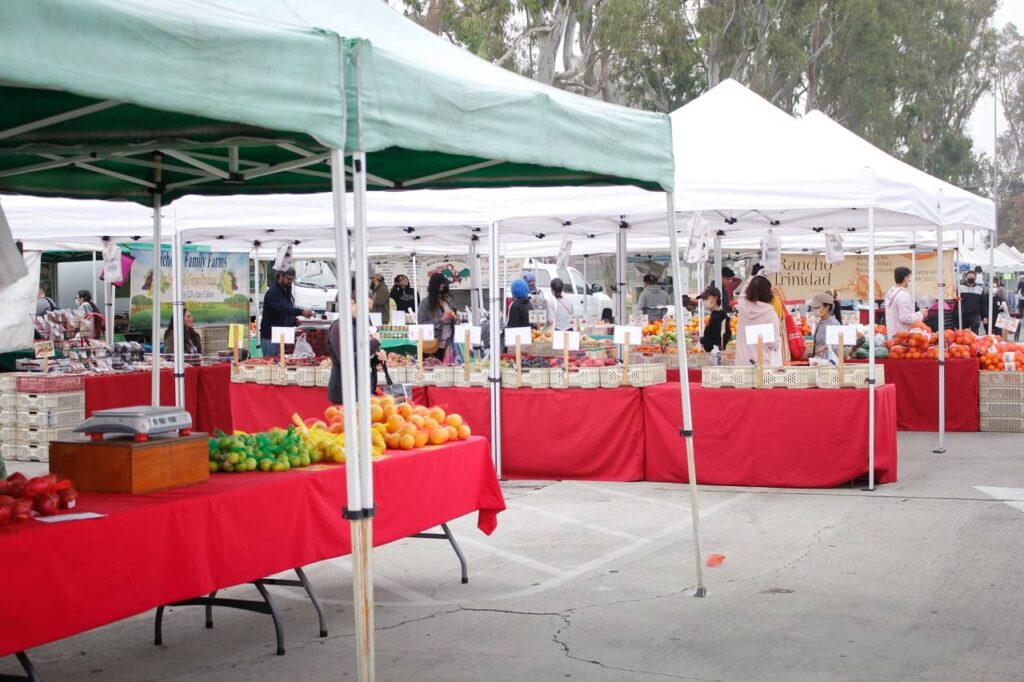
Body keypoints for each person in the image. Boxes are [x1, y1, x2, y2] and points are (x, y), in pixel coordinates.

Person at [327, 283, 386, 405]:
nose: (366, 313)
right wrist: (373, 345)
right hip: (344, 392)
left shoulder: (361, 326)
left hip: (362, 390)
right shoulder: (339, 327)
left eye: (369, 310)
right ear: (352, 303)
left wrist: (377, 358)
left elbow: (364, 359)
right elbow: (347, 359)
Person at [259, 267, 313, 356]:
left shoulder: (286, 291)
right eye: (288, 279)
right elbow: (284, 309)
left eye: (292, 279)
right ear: (280, 276)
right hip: (270, 338)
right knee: (272, 365)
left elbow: (286, 312)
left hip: (282, 336)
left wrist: (294, 321)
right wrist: (302, 312)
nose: (290, 281)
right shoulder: (273, 293)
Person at [735, 275, 782, 367]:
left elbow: (742, 295)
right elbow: (774, 344)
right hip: (762, 364)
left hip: (741, 363)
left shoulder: (742, 306)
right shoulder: (770, 314)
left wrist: (752, 277)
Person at [417, 272, 457, 360]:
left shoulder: (448, 300)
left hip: (448, 343)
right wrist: (441, 319)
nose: (445, 286)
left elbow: (454, 320)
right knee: (431, 368)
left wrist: (454, 317)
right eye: (443, 284)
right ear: (436, 285)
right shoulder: (425, 303)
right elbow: (421, 324)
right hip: (432, 343)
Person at [884, 267, 923, 336]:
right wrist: (920, 314)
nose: (909, 280)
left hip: (892, 333)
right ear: (905, 278)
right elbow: (904, 317)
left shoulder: (890, 293)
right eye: (908, 277)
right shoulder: (903, 296)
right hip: (902, 336)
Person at [698, 286, 731, 352]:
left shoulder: (716, 318)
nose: (704, 301)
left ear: (715, 298)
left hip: (714, 355)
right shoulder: (721, 315)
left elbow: (716, 342)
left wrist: (700, 339)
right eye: (703, 299)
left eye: (706, 298)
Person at [809, 293, 841, 360]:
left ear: (827, 307)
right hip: (819, 362)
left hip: (829, 365)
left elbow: (839, 345)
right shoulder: (821, 322)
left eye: (817, 307)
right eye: (813, 307)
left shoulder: (833, 324)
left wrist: (825, 347)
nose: (813, 309)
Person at [957, 269, 986, 334]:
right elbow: (956, 302)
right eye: (969, 276)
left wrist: (984, 316)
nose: (971, 278)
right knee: (963, 334)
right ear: (966, 277)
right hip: (963, 314)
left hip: (974, 315)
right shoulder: (960, 288)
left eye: (973, 277)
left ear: (975, 278)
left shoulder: (980, 289)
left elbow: (982, 304)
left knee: (974, 334)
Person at [505, 278, 532, 346]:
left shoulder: (514, 305)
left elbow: (511, 325)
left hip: (517, 340)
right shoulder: (529, 303)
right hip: (528, 338)